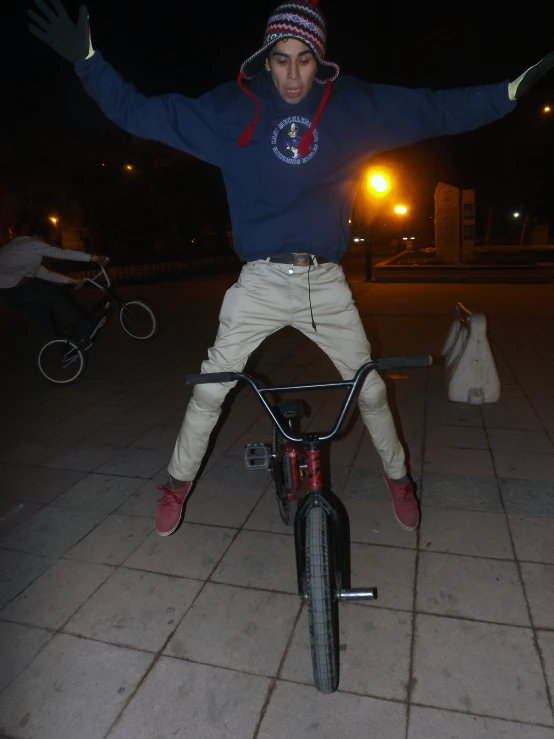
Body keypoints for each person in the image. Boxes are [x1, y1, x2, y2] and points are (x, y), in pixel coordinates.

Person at [28, 0, 554, 536]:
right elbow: (141, 113)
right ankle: (177, 483)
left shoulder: (350, 107)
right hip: (258, 281)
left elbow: (430, 110)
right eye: (281, 60)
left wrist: (506, 95)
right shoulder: (230, 110)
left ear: (320, 61)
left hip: (324, 283)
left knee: (369, 387)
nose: (294, 74)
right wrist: (88, 59)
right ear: (265, 58)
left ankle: (399, 479)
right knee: (211, 387)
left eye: (305, 59)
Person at [0, 221, 108, 342]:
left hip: (5, 295)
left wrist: (71, 281)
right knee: (55, 296)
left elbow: (43, 273)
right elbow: (62, 253)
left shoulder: (16, 247)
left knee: (42, 315)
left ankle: (63, 347)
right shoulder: (32, 244)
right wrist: (94, 258)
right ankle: (86, 326)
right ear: (40, 236)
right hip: (14, 288)